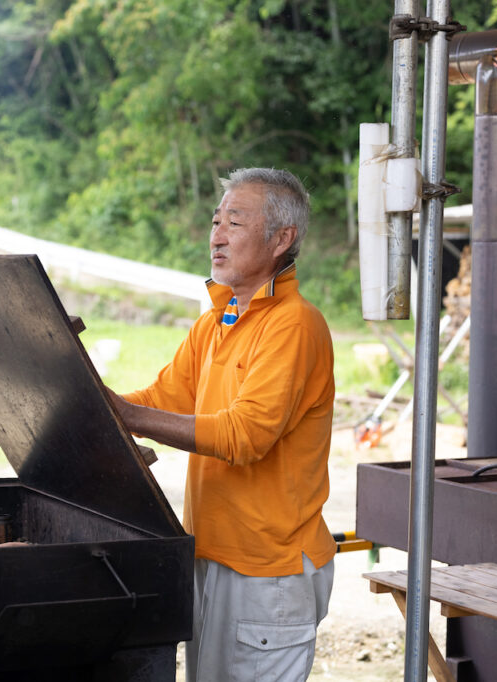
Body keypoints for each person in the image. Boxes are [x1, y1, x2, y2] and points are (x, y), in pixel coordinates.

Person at [108, 167, 336, 681]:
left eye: (235, 221)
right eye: (215, 221)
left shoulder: (294, 324)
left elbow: (244, 436)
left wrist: (127, 415)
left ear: (282, 239)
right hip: (212, 552)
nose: (217, 234)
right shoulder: (217, 320)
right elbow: (162, 399)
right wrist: (95, 402)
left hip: (267, 569)